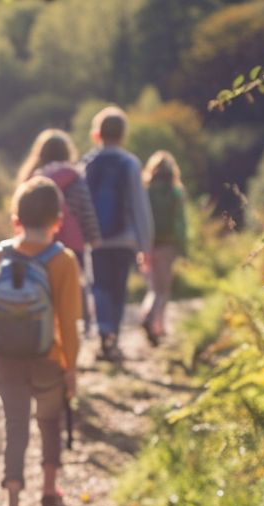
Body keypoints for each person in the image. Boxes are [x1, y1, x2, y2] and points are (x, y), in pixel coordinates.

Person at [0, 177, 82, 506]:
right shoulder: (63, 261)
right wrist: (71, 368)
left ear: (16, 218)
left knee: (15, 426)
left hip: (7, 357)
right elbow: (69, 322)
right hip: (48, 357)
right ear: (58, 219)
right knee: (50, 421)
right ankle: (50, 491)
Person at [81, 106, 154, 362]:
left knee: (99, 286)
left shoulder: (88, 163)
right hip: (125, 238)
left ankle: (104, 334)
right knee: (118, 288)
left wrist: (83, 239)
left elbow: (83, 205)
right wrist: (146, 245)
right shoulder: (130, 163)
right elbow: (139, 206)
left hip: (96, 239)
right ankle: (113, 338)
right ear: (123, 134)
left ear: (96, 134)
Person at [17, 129, 101, 334]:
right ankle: (77, 328)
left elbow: (21, 211)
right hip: (73, 243)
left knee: (42, 285)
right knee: (74, 287)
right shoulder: (75, 178)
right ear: (67, 152)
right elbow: (85, 210)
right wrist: (93, 237)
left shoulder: (33, 179)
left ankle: (42, 329)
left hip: (40, 242)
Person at [139, 150, 188, 346]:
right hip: (168, 244)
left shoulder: (145, 191)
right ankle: (154, 324)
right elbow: (181, 223)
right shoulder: (176, 192)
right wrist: (183, 248)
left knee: (153, 287)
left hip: (148, 245)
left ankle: (151, 320)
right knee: (163, 289)